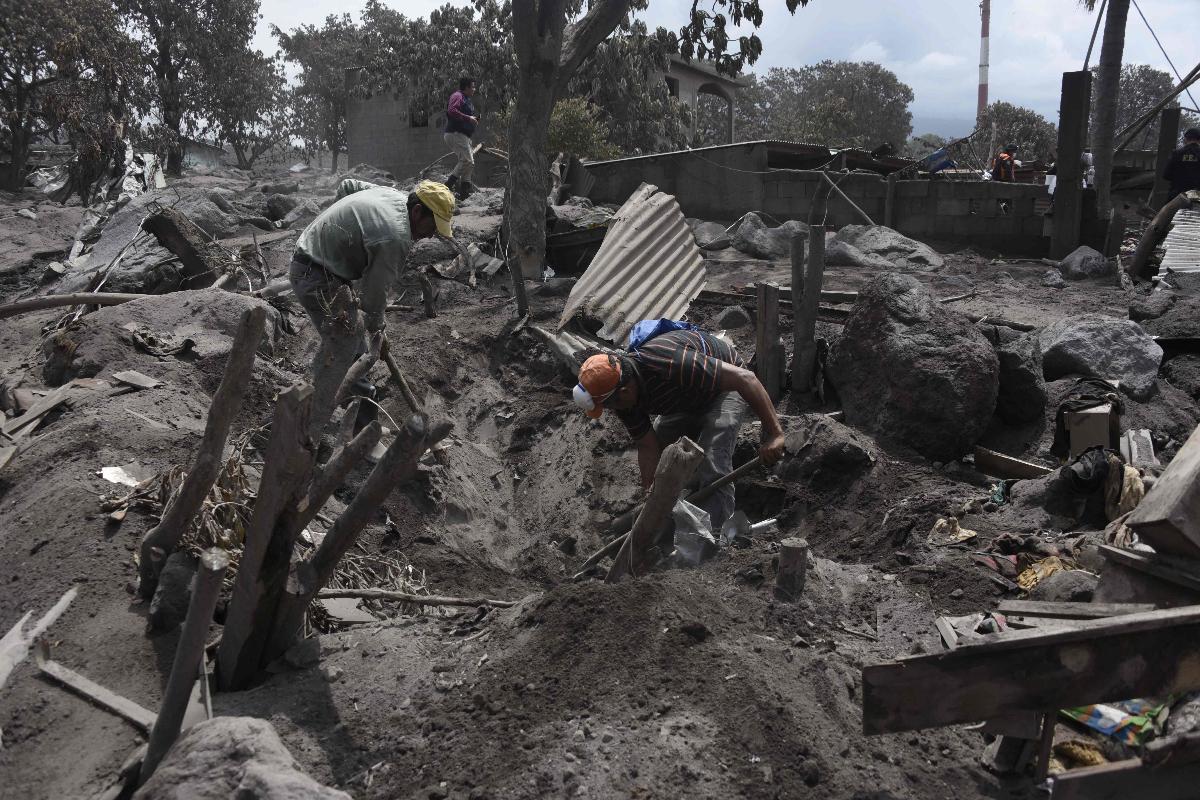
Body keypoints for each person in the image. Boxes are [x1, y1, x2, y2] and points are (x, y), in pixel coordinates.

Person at [572, 324, 786, 529]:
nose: (611, 410)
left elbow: (746, 379)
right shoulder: (622, 398)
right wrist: (651, 495)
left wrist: (775, 434)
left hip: (726, 389)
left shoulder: (669, 362)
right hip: (685, 400)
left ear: (624, 392)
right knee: (666, 462)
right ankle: (671, 516)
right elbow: (648, 447)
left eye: (608, 405)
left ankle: (716, 537)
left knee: (713, 459)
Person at [289, 178, 454, 424]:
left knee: (347, 346)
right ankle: (353, 429)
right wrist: (379, 330)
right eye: (432, 227)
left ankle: (324, 408)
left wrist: (337, 233)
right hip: (316, 276)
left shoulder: (394, 195)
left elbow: (348, 186)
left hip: (316, 258)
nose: (431, 235)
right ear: (418, 211)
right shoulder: (396, 238)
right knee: (353, 351)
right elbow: (374, 298)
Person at [443, 77, 479, 199]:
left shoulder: (467, 99)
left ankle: (464, 193)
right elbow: (452, 110)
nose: (474, 89)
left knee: (470, 163)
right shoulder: (457, 96)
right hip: (456, 134)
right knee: (467, 161)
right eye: (473, 87)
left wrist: (473, 120)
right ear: (466, 87)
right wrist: (469, 118)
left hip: (464, 136)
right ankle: (447, 186)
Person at [1164, 127, 1200, 201]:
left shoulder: (1177, 153)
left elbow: (1166, 175)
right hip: (1197, 198)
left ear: (1186, 139)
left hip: (1176, 197)